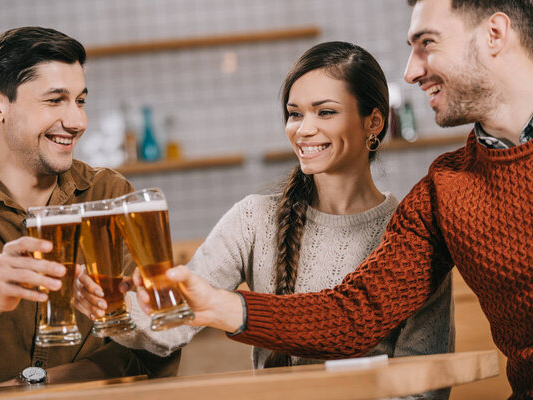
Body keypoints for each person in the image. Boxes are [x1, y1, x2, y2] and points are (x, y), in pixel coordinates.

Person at [128, 0, 533, 398]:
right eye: (295, 113)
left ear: (495, 34)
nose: (408, 71)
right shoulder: (445, 189)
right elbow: (354, 315)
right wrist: (222, 306)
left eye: (427, 44)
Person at [76, 41, 454, 398]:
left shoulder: (410, 235)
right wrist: (113, 308)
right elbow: (173, 328)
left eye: (325, 112)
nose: (303, 129)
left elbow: (424, 382)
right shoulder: (253, 219)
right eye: (294, 114)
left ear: (373, 122)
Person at [0, 26, 179, 390]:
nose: (78, 122)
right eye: (55, 100)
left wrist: (34, 385)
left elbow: (155, 347)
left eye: (81, 100)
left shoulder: (110, 194)